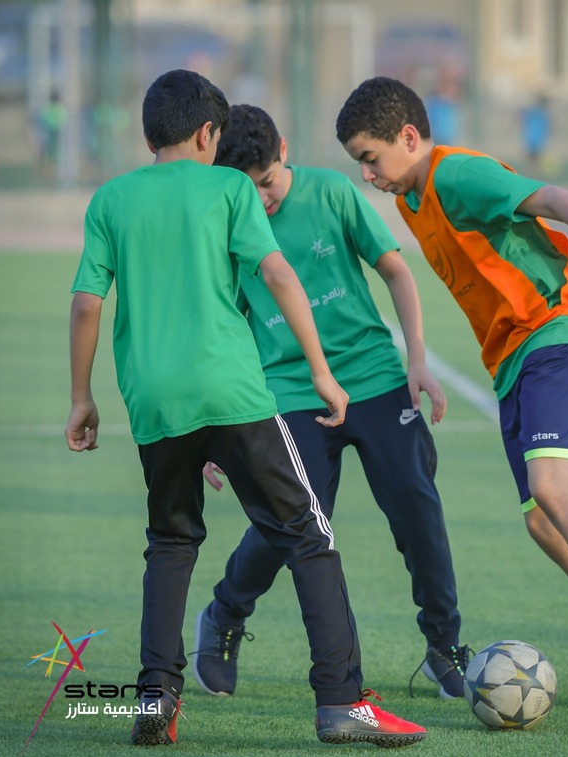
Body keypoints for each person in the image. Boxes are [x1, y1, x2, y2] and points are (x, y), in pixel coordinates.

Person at [64, 69, 426, 749]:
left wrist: (83, 397)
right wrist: (322, 372)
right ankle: (341, 702)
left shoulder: (110, 200)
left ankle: (156, 696)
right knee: (308, 535)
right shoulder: (230, 188)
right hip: (232, 392)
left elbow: (87, 304)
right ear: (209, 134)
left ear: (149, 135)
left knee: (170, 541)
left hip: (155, 401)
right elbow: (277, 273)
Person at [335, 76, 568, 713]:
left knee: (553, 489)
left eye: (371, 158)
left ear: (408, 137)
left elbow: (551, 197)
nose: (368, 175)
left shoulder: (458, 175)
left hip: (554, 330)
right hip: (513, 360)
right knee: (544, 522)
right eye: (359, 164)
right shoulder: (413, 202)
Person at [191, 104, 470, 702]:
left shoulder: (332, 193)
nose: (260, 200)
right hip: (289, 391)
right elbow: (225, 332)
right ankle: (225, 614)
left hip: (373, 377)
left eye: (267, 183)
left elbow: (396, 272)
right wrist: (218, 425)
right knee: (293, 519)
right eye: (246, 189)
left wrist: (417, 360)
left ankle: (444, 644)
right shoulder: (224, 224)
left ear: (283, 151)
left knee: (417, 506)